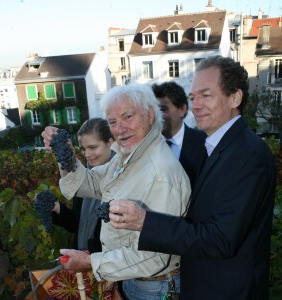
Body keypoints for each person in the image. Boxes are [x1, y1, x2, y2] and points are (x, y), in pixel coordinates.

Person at [109, 56, 277, 300]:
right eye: (193, 97)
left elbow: (219, 239)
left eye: (206, 95)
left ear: (235, 98)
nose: (196, 105)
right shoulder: (222, 146)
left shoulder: (246, 154)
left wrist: (145, 222)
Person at [41, 83, 191, 300]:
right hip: (133, 280)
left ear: (149, 115)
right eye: (112, 122)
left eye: (127, 117)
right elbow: (89, 183)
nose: (119, 129)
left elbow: (155, 257)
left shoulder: (161, 174)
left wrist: (90, 263)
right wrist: (65, 154)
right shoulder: (127, 157)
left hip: (154, 289)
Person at [51, 118, 115, 252]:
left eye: (92, 147)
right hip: (84, 261)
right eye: (84, 149)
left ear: (110, 142)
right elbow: (77, 225)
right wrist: (58, 209)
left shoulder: (120, 178)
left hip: (109, 264)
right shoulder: (84, 177)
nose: (87, 155)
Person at [152, 81, 206, 189]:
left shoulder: (204, 144)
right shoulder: (147, 145)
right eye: (155, 110)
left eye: (163, 110)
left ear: (182, 109)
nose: (157, 116)